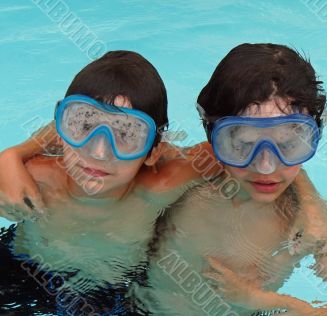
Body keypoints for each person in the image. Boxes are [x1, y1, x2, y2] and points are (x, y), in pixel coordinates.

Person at [139, 43, 327, 316]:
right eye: (243, 144)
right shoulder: (178, 180)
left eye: (288, 144)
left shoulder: (313, 226)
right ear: (213, 135)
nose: (265, 167)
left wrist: (265, 302)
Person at [0, 50, 205, 315]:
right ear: (63, 128)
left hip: (108, 293)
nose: (98, 153)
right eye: (84, 127)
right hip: (19, 269)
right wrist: (11, 155)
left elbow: (232, 151)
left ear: (153, 151)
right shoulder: (35, 176)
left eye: (126, 135)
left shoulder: (155, 189)